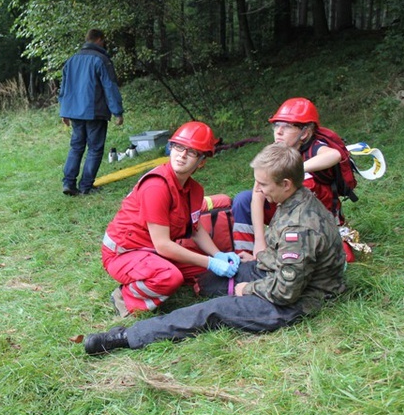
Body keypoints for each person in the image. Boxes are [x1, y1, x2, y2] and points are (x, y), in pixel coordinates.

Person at [84, 143, 347, 355]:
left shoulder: (299, 228)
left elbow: (285, 293)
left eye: (263, 185)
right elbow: (285, 258)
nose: (258, 190)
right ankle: (216, 293)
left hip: (299, 300)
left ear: (286, 184)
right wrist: (255, 259)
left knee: (212, 311)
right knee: (212, 280)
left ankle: (126, 337)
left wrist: (248, 289)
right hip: (282, 274)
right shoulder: (295, 199)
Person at [101, 122, 240, 318]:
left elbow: (195, 229)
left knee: (203, 271)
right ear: (171, 148)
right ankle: (125, 297)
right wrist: (210, 262)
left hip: (152, 251)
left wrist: (218, 255)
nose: (182, 155)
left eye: (191, 152)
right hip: (124, 253)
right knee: (170, 277)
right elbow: (164, 246)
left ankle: (154, 273)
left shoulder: (194, 190)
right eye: (178, 147)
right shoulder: (157, 186)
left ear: (201, 161)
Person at [232, 97, 347, 259]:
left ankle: (287, 253)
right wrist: (259, 241)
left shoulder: (314, 148)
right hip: (284, 212)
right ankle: (245, 258)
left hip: (315, 220)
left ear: (305, 133)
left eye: (286, 127)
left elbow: (334, 155)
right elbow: (258, 194)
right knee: (243, 200)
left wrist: (296, 170)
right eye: (276, 125)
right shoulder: (273, 151)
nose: (278, 132)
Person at [59, 28, 124, 196]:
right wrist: (117, 111)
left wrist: (64, 112)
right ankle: (86, 186)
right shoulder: (101, 60)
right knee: (95, 148)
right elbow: (110, 86)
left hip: (74, 112)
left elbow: (64, 88)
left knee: (76, 146)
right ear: (99, 40)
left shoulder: (71, 60)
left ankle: (68, 183)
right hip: (95, 111)